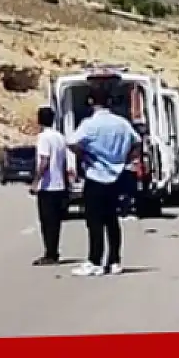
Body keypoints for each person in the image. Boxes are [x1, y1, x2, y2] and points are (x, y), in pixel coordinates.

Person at [67, 86, 141, 277]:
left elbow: (72, 142)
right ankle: (114, 261)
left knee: (95, 222)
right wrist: (125, 159)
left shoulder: (89, 124)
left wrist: (85, 155)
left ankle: (95, 261)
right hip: (116, 176)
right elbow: (137, 142)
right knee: (112, 221)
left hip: (96, 176)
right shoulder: (122, 124)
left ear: (91, 102)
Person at [29, 106, 71, 266]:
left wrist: (36, 182)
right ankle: (53, 251)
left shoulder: (43, 138)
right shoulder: (60, 137)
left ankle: (50, 254)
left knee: (47, 222)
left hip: (48, 186)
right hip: (60, 185)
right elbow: (63, 162)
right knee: (56, 222)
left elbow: (44, 161)